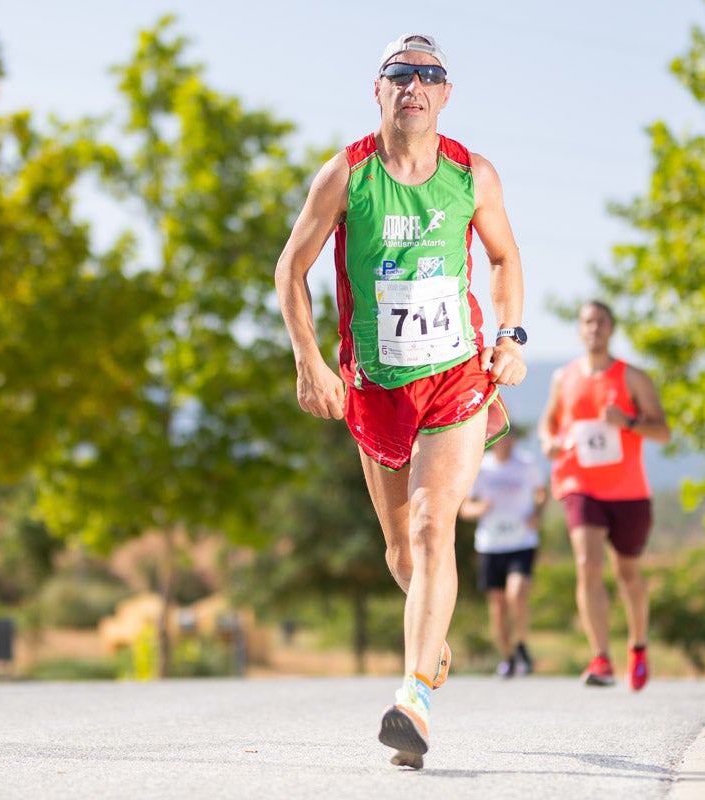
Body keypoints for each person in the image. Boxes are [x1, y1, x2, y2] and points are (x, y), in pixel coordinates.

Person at [274, 33, 527, 768]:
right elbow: (292, 270)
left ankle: (411, 697)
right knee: (398, 551)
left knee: (429, 525)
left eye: (429, 75)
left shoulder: (471, 175)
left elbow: (506, 258)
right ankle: (432, 640)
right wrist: (309, 360)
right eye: (400, 73)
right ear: (378, 89)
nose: (413, 85)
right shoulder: (346, 176)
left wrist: (510, 336)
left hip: (455, 379)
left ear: (446, 94)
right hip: (375, 384)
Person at [537, 300, 669, 691]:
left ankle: (638, 647)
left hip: (628, 491)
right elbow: (549, 423)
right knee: (587, 564)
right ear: (579, 329)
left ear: (611, 329)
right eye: (587, 322)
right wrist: (548, 441)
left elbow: (663, 432)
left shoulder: (633, 378)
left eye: (600, 322)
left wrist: (627, 422)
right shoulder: (563, 376)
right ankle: (600, 657)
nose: (593, 328)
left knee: (628, 574)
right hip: (581, 484)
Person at [458, 429, 547, 678]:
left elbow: (542, 492)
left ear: (515, 439)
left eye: (508, 437)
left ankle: (521, 644)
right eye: (498, 438)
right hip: (491, 544)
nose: (504, 442)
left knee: (516, 592)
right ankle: (507, 656)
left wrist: (536, 514)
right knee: (497, 606)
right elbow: (465, 508)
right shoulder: (480, 467)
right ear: (491, 442)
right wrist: (479, 508)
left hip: (521, 541)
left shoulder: (526, 465)